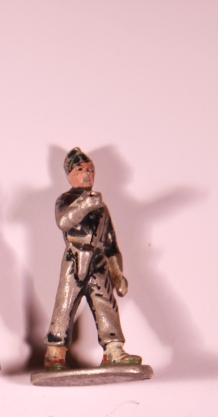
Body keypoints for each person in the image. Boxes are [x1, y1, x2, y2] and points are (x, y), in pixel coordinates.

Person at [44, 148, 140, 370]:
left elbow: (111, 244)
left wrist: (117, 274)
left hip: (98, 261)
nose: (87, 174)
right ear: (70, 175)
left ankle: (113, 349)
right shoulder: (66, 200)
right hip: (75, 257)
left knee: (105, 303)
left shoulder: (101, 207)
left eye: (90, 169)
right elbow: (64, 222)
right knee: (65, 304)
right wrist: (84, 204)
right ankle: (55, 352)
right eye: (80, 169)